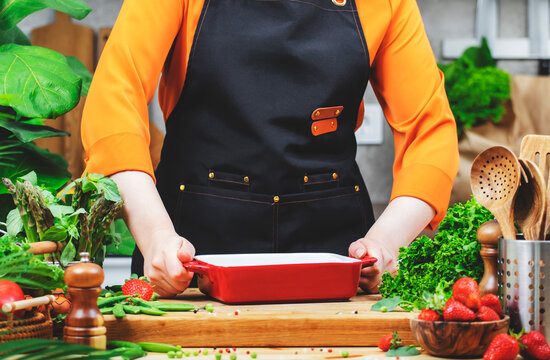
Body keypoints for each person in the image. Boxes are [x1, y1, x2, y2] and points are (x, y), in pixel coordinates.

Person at [81, 0, 459, 297]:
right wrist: (155, 238)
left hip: (339, 264)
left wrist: (387, 241)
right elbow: (113, 105)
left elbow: (430, 131)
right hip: (189, 260)